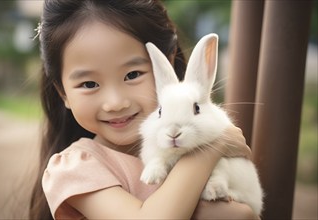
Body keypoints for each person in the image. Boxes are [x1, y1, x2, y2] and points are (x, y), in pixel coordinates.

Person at [29, 0, 258, 219]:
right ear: (63, 93)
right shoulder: (76, 168)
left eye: (132, 75)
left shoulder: (189, 140)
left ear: (163, 69)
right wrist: (212, 147)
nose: (115, 102)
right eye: (89, 84)